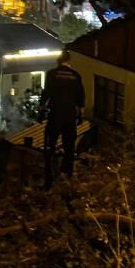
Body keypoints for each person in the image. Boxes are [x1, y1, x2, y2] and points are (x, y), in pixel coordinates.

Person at [38, 51, 85, 189]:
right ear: (69, 61)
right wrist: (80, 115)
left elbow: (46, 94)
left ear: (58, 61)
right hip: (69, 116)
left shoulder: (52, 74)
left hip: (55, 115)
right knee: (69, 147)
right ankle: (67, 175)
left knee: (49, 145)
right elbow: (81, 98)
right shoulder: (76, 76)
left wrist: (40, 112)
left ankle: (49, 178)